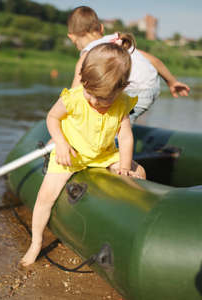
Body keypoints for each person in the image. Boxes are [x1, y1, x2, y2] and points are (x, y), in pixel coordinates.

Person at [20, 38, 146, 266]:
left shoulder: (121, 103)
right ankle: (35, 242)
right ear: (84, 82)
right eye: (91, 94)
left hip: (104, 154)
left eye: (103, 98)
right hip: (73, 154)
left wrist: (125, 168)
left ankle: (128, 225)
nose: (95, 101)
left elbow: (126, 137)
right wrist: (60, 142)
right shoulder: (76, 98)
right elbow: (52, 117)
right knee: (45, 197)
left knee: (141, 172)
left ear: (121, 89)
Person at [67, 6, 190, 122]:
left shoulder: (88, 54)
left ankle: (114, 140)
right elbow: (154, 60)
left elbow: (74, 93)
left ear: (72, 37)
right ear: (102, 28)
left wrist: (65, 116)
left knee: (111, 123)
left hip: (133, 91)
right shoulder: (118, 42)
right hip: (152, 87)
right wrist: (172, 82)